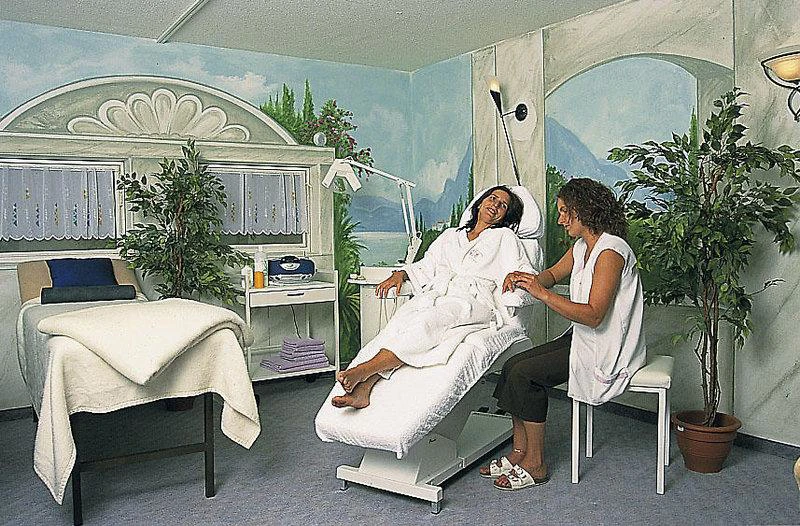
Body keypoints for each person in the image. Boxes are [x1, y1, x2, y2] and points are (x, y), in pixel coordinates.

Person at [480, 177, 645, 491]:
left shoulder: (611, 252)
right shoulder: (582, 247)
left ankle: (536, 463)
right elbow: (553, 274)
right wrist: (525, 279)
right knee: (513, 365)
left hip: (609, 347)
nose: (560, 220)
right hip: (583, 337)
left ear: (585, 210)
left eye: (565, 212)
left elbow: (594, 315)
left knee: (527, 374)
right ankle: (519, 452)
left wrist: (542, 294)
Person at [332, 185, 534, 409]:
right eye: (492, 198)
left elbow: (523, 269)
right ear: (480, 203)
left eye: (502, 205)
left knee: (425, 323)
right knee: (400, 324)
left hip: (473, 300)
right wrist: (402, 273)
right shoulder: (451, 236)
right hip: (439, 294)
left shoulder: (504, 237)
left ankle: (364, 370)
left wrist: (515, 275)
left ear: (505, 216)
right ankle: (364, 389)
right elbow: (428, 265)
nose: (495, 205)